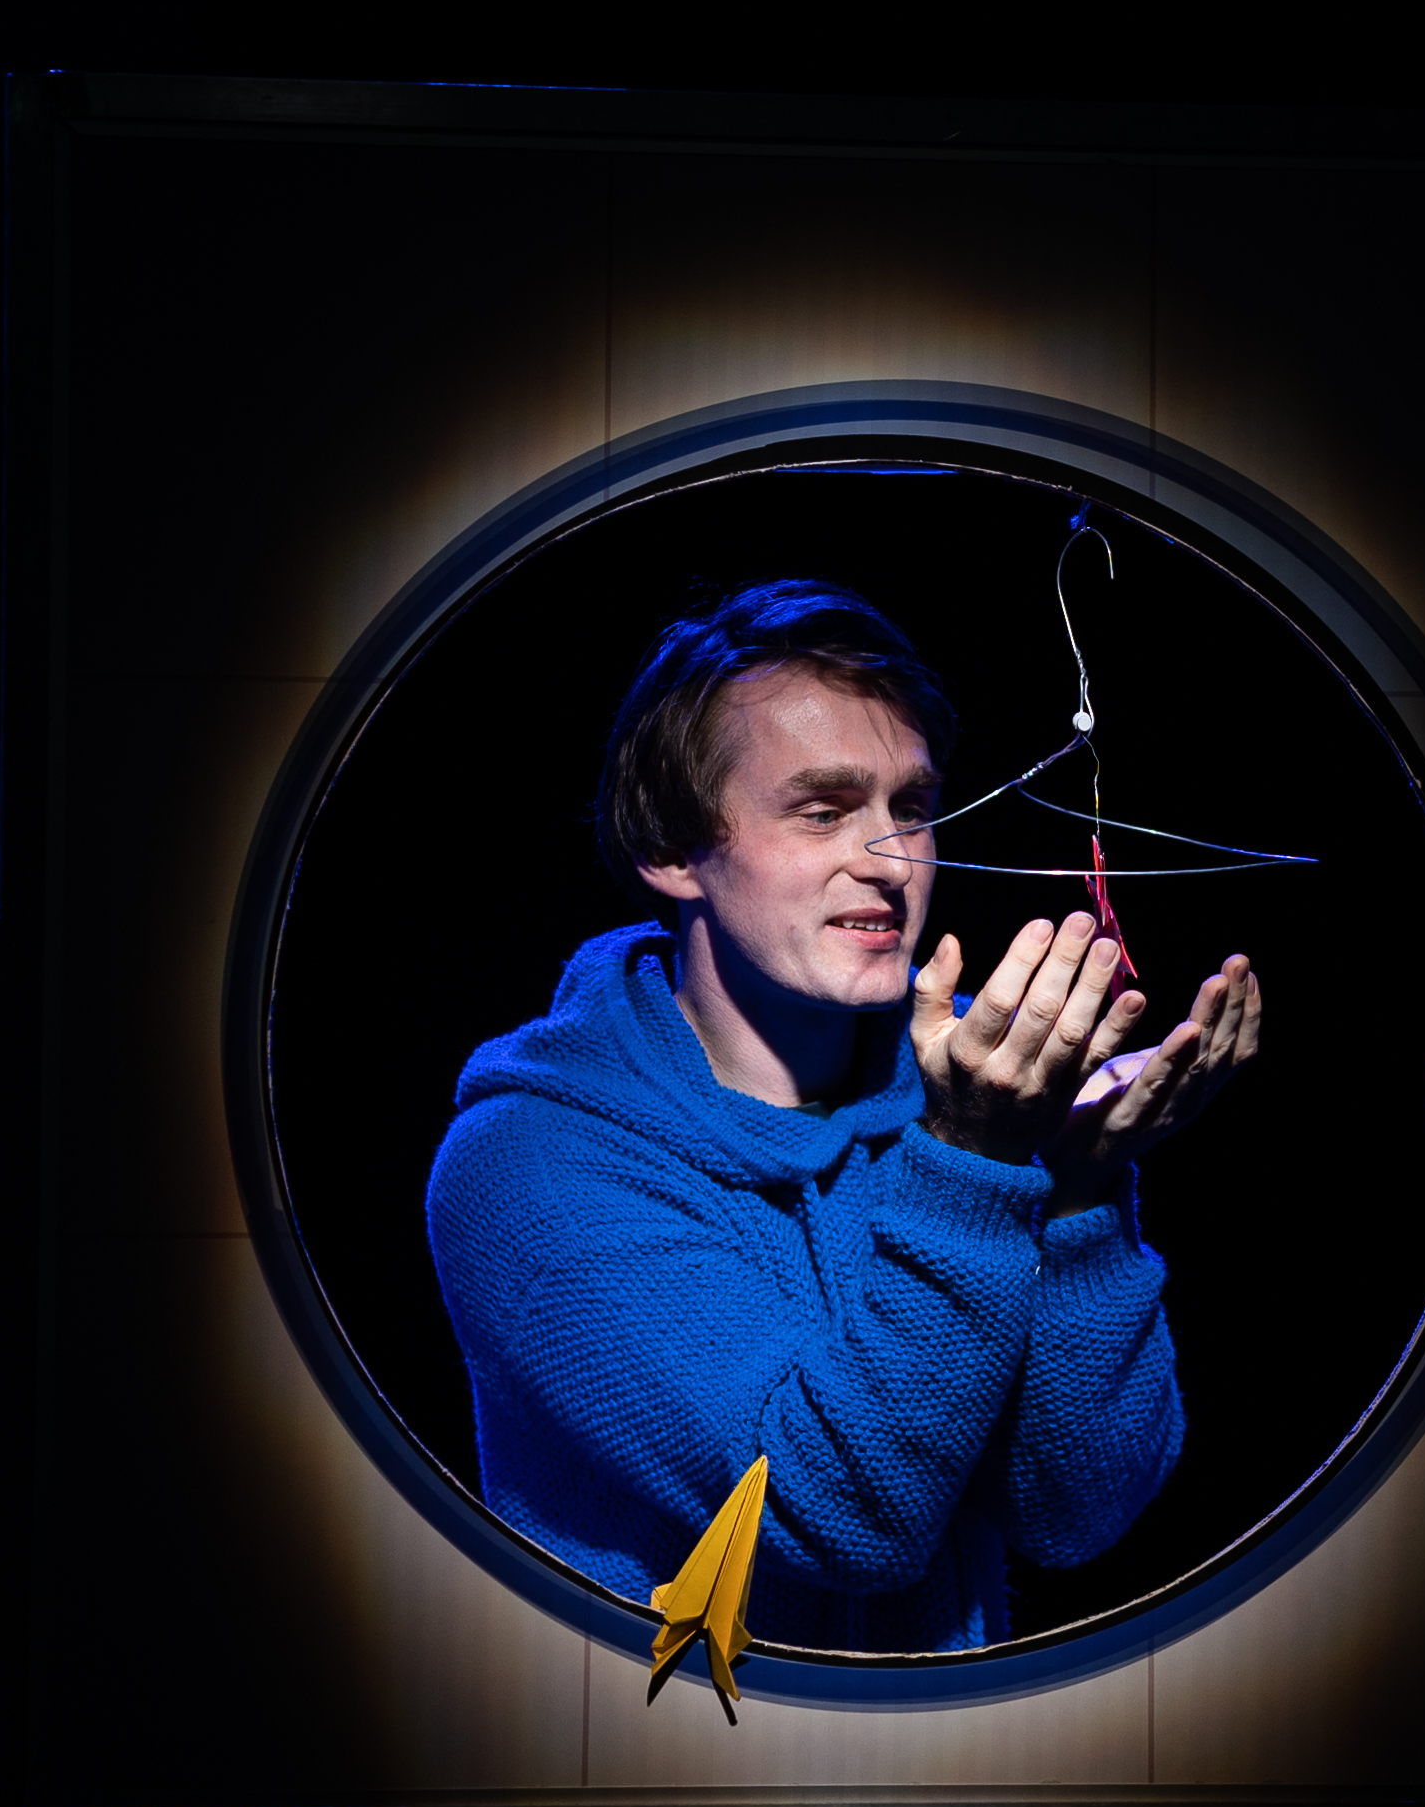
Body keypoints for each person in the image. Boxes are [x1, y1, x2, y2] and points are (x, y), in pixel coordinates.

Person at [425, 581, 1261, 1653]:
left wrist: (1079, 1189)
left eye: (911, 807)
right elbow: (837, 1515)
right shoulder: (534, 1163)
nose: (890, 860)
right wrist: (975, 1162)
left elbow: (1075, 1514)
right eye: (822, 811)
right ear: (671, 849)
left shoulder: (968, 1091)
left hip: (944, 1752)